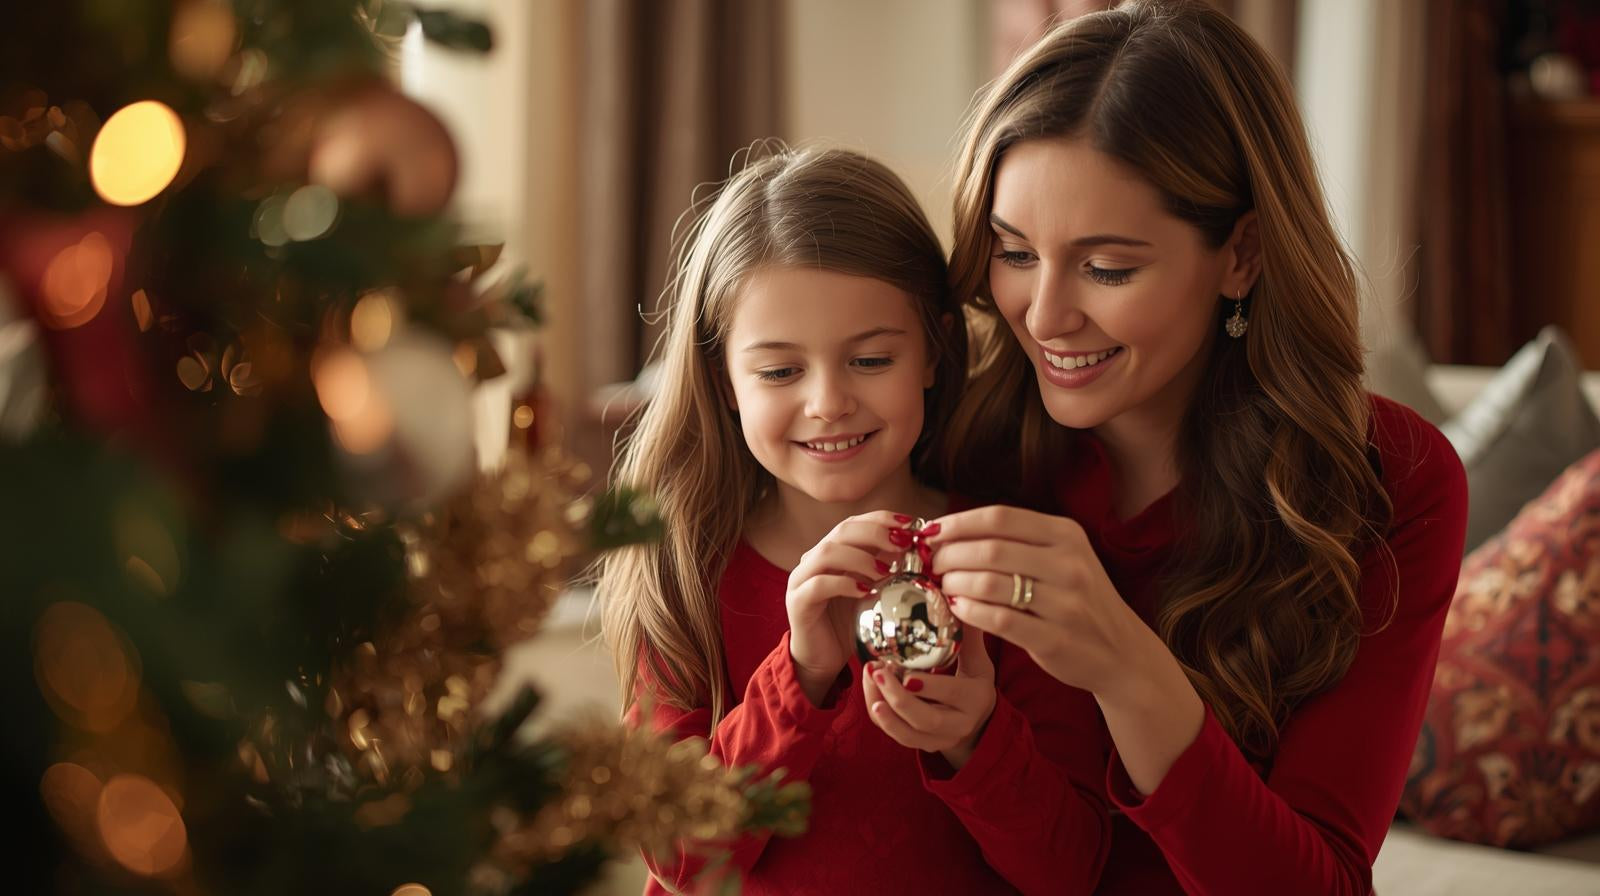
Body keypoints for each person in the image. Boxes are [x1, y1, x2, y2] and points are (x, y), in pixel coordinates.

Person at [915, 1, 1470, 893]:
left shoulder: (1388, 480)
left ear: (1242, 253)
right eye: (1015, 252)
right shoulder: (955, 438)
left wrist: (1124, 666)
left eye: (1108, 268)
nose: (1045, 314)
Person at [596, 146, 1108, 894]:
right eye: (779, 371)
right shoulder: (684, 570)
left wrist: (975, 739)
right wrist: (798, 678)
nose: (828, 402)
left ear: (932, 352)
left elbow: (1072, 871)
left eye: (870, 360)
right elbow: (679, 861)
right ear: (724, 381)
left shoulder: (1007, 557)